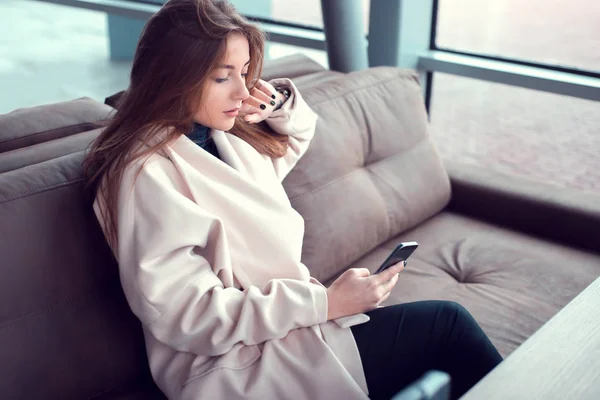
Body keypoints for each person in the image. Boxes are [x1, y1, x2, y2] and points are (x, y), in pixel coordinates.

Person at [83, 0, 502, 399]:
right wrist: (326, 302)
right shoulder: (145, 173)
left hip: (288, 330)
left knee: (443, 344)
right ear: (173, 74)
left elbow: (297, 136)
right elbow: (187, 315)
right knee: (449, 327)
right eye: (221, 76)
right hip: (236, 364)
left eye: (245, 72)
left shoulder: (222, 139)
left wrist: (274, 105)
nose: (240, 91)